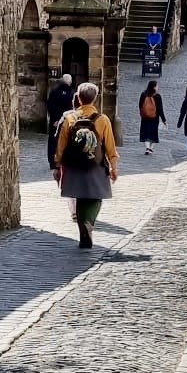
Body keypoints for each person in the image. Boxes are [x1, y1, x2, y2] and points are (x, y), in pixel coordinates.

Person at [53, 81, 119, 248]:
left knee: (80, 197)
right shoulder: (102, 120)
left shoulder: (70, 118)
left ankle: (83, 226)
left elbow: (61, 145)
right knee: (96, 197)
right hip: (96, 165)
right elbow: (110, 146)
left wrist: (57, 166)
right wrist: (113, 167)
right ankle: (88, 222)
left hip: (74, 165)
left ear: (79, 99)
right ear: (94, 99)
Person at [45, 73, 74, 171]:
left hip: (55, 120)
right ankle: (62, 160)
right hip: (66, 120)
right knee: (64, 140)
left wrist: (54, 118)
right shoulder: (71, 92)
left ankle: (52, 161)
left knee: (53, 140)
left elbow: (50, 105)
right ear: (70, 82)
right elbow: (71, 107)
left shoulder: (54, 91)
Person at [138, 78, 163, 155]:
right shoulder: (157, 96)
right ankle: (151, 148)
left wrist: (142, 113)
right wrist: (164, 120)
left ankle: (147, 147)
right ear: (154, 87)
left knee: (145, 132)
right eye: (157, 86)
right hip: (154, 117)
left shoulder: (143, 94)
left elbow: (140, 105)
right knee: (153, 133)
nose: (158, 87)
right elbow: (160, 109)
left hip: (145, 116)